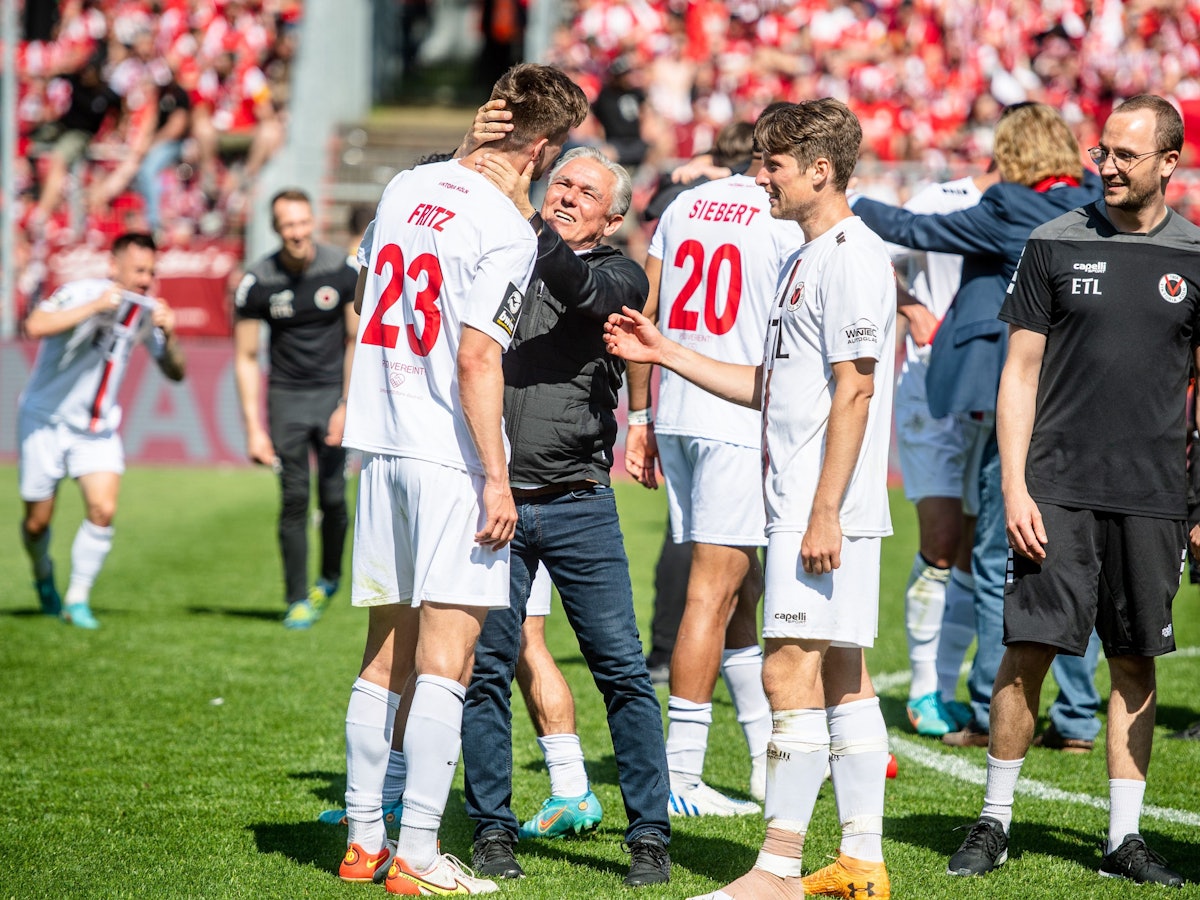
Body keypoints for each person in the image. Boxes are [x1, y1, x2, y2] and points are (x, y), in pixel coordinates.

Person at [605, 98, 896, 900]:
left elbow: (855, 392)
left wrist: (825, 508)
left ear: (820, 169)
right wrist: (666, 351)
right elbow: (778, 387)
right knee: (846, 677)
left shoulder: (848, 255)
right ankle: (863, 862)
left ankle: (775, 871)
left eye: (773, 163)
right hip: (806, 498)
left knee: (786, 675)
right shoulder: (805, 255)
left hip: (820, 504)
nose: (758, 175)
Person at [336, 63, 588, 896]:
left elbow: (366, 277)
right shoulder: (509, 228)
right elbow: (480, 354)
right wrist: (496, 478)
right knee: (448, 659)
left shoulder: (408, 185)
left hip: (381, 444)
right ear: (543, 146)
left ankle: (363, 839)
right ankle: (416, 855)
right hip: (447, 455)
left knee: (384, 657)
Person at [947, 94, 1194, 887]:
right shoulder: (1053, 242)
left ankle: (1125, 838)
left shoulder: (1196, 256)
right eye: (1104, 151)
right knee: (1027, 649)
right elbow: (1018, 371)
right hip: (1055, 487)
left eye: (1127, 154)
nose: (1109, 165)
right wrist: (1016, 486)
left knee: (1134, 659)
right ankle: (993, 820)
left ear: (1169, 161)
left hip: (1154, 494)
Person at [852, 103, 1104, 753]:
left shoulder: (1012, 207)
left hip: (1023, 406)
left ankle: (992, 711)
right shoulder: (1097, 200)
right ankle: (1077, 717)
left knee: (998, 558)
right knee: (1074, 558)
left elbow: (917, 229)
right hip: (1086, 400)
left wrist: (848, 201)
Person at [460, 142, 672, 888]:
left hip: (580, 501)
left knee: (620, 670)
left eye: (585, 190)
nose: (565, 194)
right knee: (484, 672)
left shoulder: (620, 274)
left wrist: (527, 218)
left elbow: (576, 287)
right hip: (497, 503)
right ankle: (491, 830)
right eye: (559, 183)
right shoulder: (495, 249)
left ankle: (649, 834)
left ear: (613, 216)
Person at [625, 120, 803, 815]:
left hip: (678, 412)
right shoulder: (779, 219)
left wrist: (639, 421)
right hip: (734, 414)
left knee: (739, 587)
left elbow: (647, 310)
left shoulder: (683, 206)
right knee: (712, 591)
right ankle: (682, 777)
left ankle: (761, 758)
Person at [18, 232, 186, 629]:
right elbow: (35, 325)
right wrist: (95, 306)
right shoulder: (81, 292)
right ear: (114, 267)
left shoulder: (147, 312)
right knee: (36, 522)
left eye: (151, 272)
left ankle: (77, 599)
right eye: (138, 270)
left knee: (103, 509)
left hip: (96, 428)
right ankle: (43, 574)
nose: (145, 279)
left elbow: (176, 373)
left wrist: (171, 332)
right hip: (45, 420)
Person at [887, 166, 997, 737]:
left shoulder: (1033, 206)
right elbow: (874, 250)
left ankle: (944, 689)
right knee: (941, 540)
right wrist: (911, 308)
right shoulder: (944, 197)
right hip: (930, 387)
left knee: (974, 546)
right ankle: (923, 690)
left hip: (986, 390)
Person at [233, 188, 360, 629]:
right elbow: (247, 358)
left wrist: (347, 405)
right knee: (292, 500)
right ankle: (294, 599)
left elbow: (356, 340)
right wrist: (254, 429)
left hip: (331, 397)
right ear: (276, 229)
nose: (297, 232)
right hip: (285, 399)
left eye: (303, 222)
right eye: (288, 225)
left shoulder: (341, 271)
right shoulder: (257, 281)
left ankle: (329, 576)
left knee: (332, 497)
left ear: (313, 221)